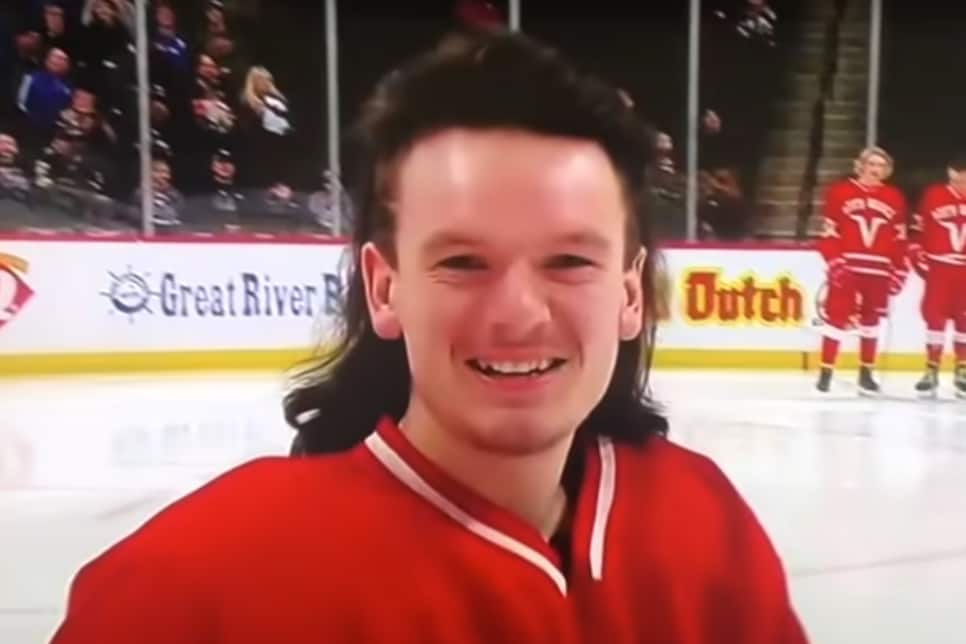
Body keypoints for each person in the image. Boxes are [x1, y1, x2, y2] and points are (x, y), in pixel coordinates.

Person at [51, 30, 807, 643]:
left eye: (570, 260)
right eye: (463, 261)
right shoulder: (193, 584)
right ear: (385, 288)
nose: (518, 313)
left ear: (629, 293)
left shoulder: (706, 525)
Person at [816, 146, 908, 395]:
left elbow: (900, 239)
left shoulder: (894, 197)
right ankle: (826, 371)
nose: (876, 170)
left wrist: (899, 271)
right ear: (861, 166)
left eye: (881, 166)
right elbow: (828, 233)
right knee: (836, 317)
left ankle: (866, 372)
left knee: (871, 321)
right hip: (848, 266)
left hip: (878, 270)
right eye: (872, 164)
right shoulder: (840, 192)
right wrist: (835, 262)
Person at [909, 153, 966, 398]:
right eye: (955, 180)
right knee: (935, 318)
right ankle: (931, 369)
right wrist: (918, 255)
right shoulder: (934, 195)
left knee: (964, 320)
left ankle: (962, 370)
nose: (959, 185)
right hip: (940, 267)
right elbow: (918, 230)